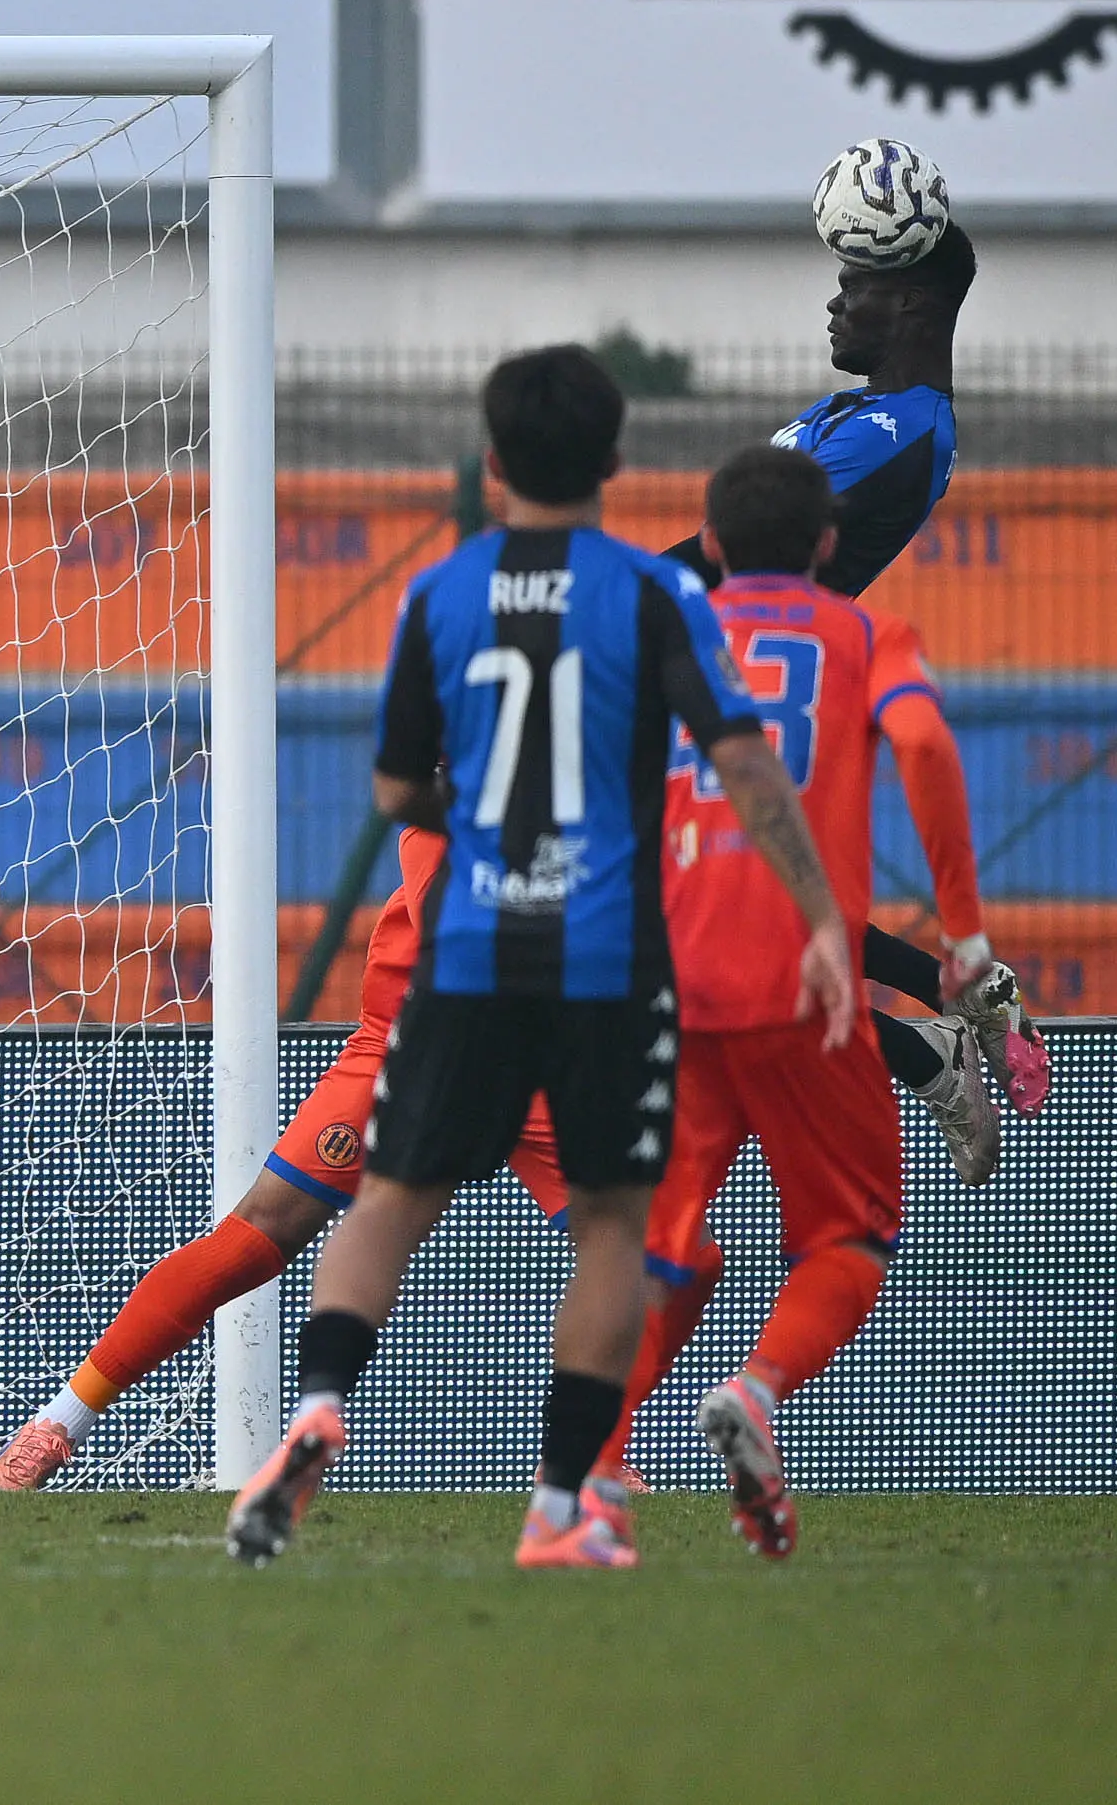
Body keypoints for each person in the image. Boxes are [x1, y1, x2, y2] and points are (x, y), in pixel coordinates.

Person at [225, 345, 855, 1573]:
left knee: (395, 1198)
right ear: (616, 465)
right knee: (613, 1227)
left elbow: (398, 784)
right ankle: (560, 1505)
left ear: (494, 463)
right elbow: (738, 757)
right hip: (606, 956)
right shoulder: (655, 596)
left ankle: (314, 1403)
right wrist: (822, 914)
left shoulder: (438, 596)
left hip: (465, 944)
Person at [605, 446, 994, 1557]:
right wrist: (960, 936)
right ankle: (761, 1390)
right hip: (809, 984)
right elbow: (918, 739)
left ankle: (590, 1462)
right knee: (851, 1230)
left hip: (667, 979)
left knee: (659, 1245)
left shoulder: (660, 637)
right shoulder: (870, 634)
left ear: (711, 546)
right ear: (830, 544)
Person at [0, 826, 577, 1491]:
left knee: (662, 1255)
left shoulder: (618, 758)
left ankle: (593, 1449)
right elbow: (455, 907)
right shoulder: (468, 754)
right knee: (260, 1230)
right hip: (416, 1038)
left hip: (541, 1052)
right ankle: (53, 1426)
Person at [670, 222, 1048, 1175]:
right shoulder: (851, 413)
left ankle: (935, 1022)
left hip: (744, 690)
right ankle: (949, 1006)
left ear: (910, 301)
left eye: (855, 286)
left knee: (702, 937)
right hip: (718, 680)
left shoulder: (900, 430)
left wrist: (578, 596)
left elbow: (716, 557)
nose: (834, 304)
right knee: (737, 920)